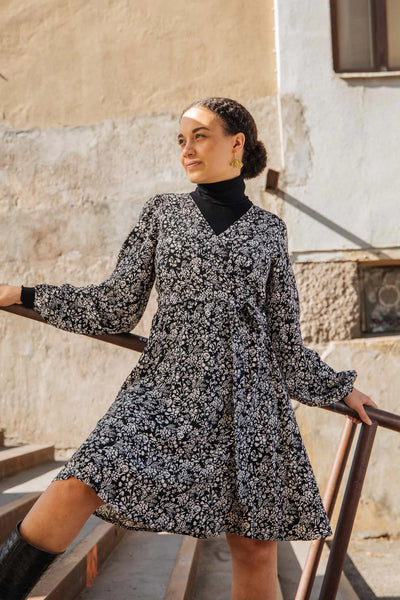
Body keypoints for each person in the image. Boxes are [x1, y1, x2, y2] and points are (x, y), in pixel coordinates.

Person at [0, 97, 376, 600]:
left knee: (256, 548)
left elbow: (285, 341)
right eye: (181, 139)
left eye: (199, 136)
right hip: (165, 389)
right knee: (77, 485)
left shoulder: (269, 230)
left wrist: (337, 388)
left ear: (236, 144)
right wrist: (24, 294)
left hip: (249, 404)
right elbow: (116, 306)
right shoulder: (164, 213)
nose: (187, 149)